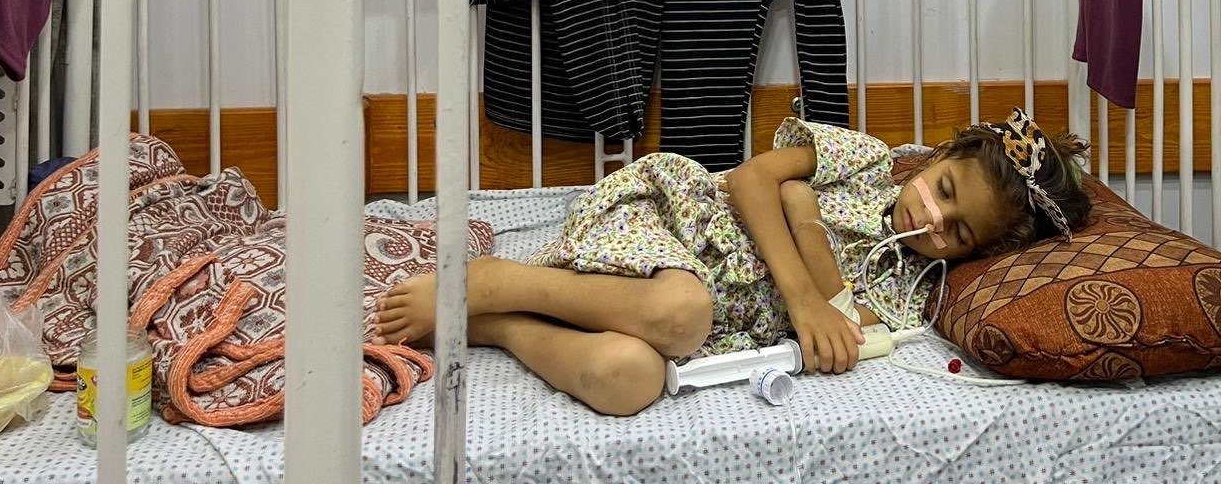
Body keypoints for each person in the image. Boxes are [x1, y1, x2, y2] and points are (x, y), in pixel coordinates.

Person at [376, 107, 1090, 415]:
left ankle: (494, 323)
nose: (932, 221)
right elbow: (752, 181)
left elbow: (849, 325)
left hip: (686, 329)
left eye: (957, 233)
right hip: (672, 225)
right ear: (938, 157)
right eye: (943, 191)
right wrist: (805, 295)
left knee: (629, 380)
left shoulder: (912, 290)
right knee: (682, 310)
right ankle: (499, 280)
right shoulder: (865, 161)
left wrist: (807, 226)